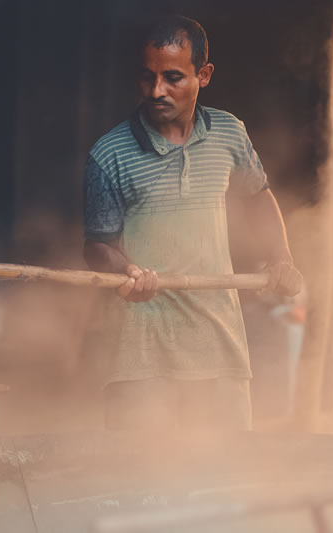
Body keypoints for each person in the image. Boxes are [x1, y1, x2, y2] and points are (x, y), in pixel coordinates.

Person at [83, 15, 302, 431]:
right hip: (140, 356)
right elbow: (96, 245)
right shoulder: (108, 154)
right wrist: (124, 271)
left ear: (204, 74)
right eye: (147, 77)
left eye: (173, 77)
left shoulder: (229, 135)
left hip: (220, 347)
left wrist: (282, 258)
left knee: (224, 475)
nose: (157, 91)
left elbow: (259, 198)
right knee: (139, 479)